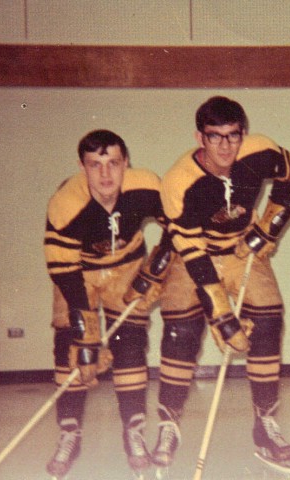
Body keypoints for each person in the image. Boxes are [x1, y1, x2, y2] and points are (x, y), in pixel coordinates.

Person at [150, 96, 290, 474]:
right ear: (199, 137)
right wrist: (220, 312)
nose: (225, 147)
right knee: (182, 331)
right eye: (215, 137)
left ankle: (265, 423)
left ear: (243, 134)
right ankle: (169, 424)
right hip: (195, 255)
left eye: (233, 136)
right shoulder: (178, 182)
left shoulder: (262, 152)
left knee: (268, 320)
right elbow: (191, 251)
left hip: (240, 249)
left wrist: (270, 227)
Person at [44, 129, 173, 479]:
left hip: (126, 266)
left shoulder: (145, 186)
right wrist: (85, 330)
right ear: (81, 166)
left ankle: (133, 429)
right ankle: (70, 432)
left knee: (130, 343)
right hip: (78, 273)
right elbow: (62, 269)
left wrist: (159, 264)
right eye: (95, 164)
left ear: (126, 163)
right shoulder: (66, 203)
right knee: (72, 347)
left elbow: (178, 224)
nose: (105, 175)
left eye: (113, 163)